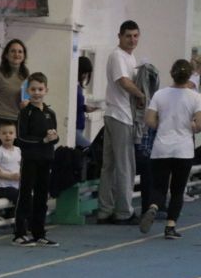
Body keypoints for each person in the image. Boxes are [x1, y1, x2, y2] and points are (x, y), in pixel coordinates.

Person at [138, 59, 201, 239]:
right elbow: (199, 124)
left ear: (172, 74)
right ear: (189, 76)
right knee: (177, 190)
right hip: (183, 150)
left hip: (161, 148)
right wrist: (191, 126)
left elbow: (149, 120)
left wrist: (163, 125)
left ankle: (153, 206)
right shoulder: (195, 97)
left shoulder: (160, 95)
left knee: (159, 186)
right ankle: (170, 226)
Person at [96, 20, 146, 225]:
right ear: (120, 36)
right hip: (120, 116)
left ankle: (105, 210)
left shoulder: (130, 57)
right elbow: (123, 81)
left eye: (135, 36)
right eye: (128, 36)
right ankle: (124, 212)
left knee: (109, 166)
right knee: (125, 165)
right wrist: (141, 95)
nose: (132, 40)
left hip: (116, 114)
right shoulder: (117, 55)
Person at [12, 72, 59, 247]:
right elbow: (21, 138)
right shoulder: (25, 113)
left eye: (40, 89)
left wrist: (54, 137)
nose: (37, 93)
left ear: (46, 90)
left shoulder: (50, 113)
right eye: (33, 89)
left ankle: (39, 232)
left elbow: (53, 138)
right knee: (25, 194)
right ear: (27, 91)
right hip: (30, 159)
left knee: (41, 196)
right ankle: (20, 233)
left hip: (46, 159)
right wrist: (42, 141)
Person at [0, 39, 30, 153]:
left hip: (19, 125)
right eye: (13, 51)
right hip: (1, 124)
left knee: (18, 162)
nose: (16, 54)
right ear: (6, 55)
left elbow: (29, 100)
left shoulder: (26, 76)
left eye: (20, 51)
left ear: (24, 56)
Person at [0, 120, 21, 218]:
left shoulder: (18, 150)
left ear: (15, 135)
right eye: (4, 133)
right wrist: (11, 176)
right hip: (3, 188)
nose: (7, 136)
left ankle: (13, 217)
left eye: (11, 133)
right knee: (20, 197)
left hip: (16, 187)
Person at [76, 56, 100, 148]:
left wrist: (86, 108)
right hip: (75, 127)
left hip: (80, 125)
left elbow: (78, 106)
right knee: (90, 149)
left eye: (87, 73)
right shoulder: (74, 86)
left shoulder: (79, 87)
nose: (85, 75)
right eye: (84, 72)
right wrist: (84, 107)